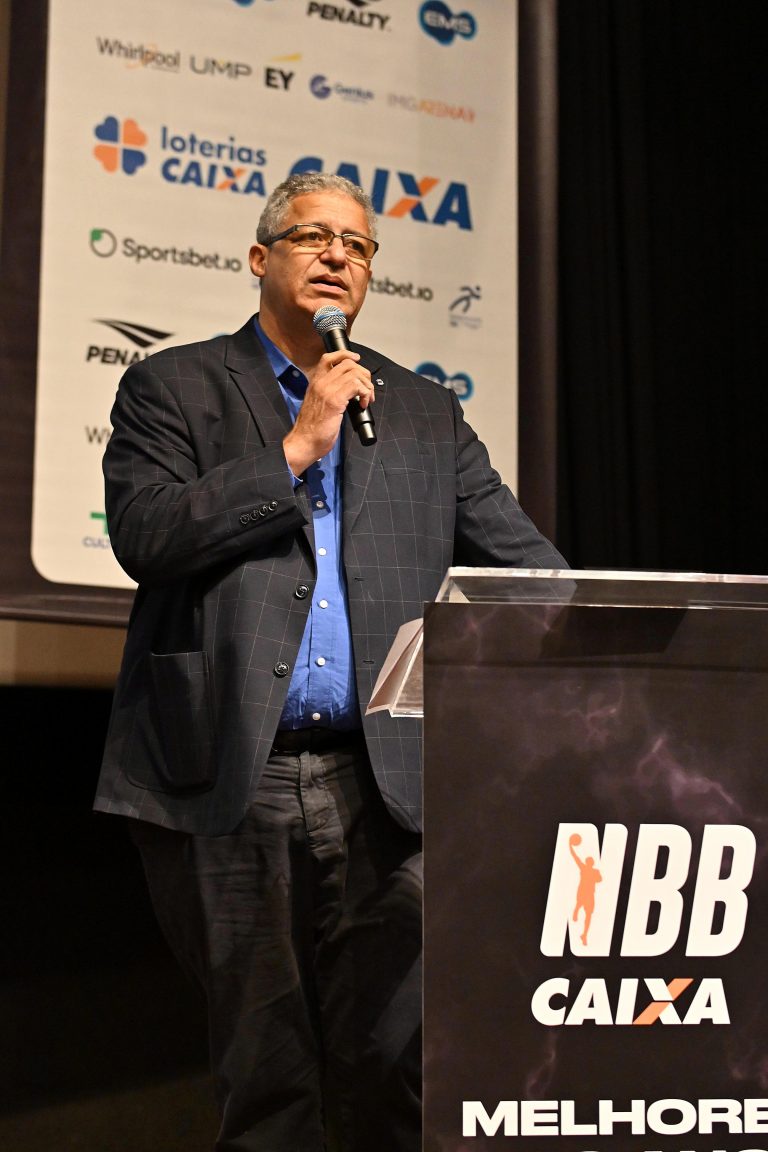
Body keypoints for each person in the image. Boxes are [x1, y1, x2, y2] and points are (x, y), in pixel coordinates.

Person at [94, 171, 567, 1152]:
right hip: (230, 770)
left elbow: (530, 571)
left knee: (394, 1068)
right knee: (267, 1077)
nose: (337, 256)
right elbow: (145, 535)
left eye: (357, 245)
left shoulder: (424, 411)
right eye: (313, 237)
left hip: (384, 784)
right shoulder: (173, 386)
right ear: (260, 258)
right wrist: (296, 449)